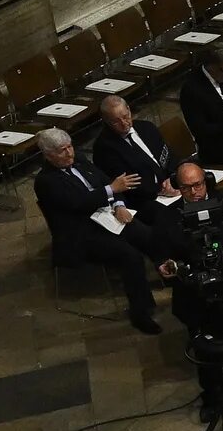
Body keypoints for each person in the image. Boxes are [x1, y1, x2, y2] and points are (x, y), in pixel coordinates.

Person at [32, 127, 172, 332]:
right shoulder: (45, 181)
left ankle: (167, 274)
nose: (69, 153)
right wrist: (111, 190)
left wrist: (119, 205)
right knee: (130, 256)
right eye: (62, 150)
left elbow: (106, 181)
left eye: (70, 146)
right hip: (81, 232)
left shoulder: (79, 159)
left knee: (148, 235)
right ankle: (140, 312)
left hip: (107, 216)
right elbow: (77, 203)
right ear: (48, 155)